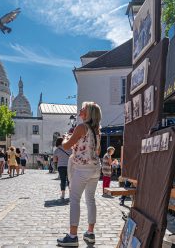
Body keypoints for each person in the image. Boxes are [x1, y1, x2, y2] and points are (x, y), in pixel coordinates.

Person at [57, 102, 102, 246]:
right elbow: (98, 152)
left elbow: (65, 145)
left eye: (83, 108)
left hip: (82, 168)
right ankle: (90, 233)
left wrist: (65, 137)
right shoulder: (96, 130)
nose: (80, 110)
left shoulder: (82, 127)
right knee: (90, 200)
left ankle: (72, 236)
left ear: (88, 113)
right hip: (95, 168)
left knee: (75, 200)